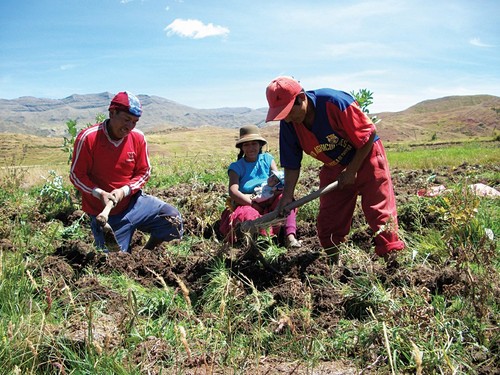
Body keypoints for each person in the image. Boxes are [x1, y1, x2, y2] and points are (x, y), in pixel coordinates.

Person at [265, 76, 404, 265]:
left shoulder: (335, 102)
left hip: (366, 155)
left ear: (302, 98)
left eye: (289, 111)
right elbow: (291, 164)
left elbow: (369, 134)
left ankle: (392, 265)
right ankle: (333, 265)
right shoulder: (289, 124)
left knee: (379, 211)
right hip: (334, 164)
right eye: (282, 114)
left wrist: (352, 170)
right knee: (329, 219)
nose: (288, 118)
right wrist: (288, 195)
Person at [69, 91, 183, 252]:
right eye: (126, 120)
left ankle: (145, 254)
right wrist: (100, 193)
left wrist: (124, 190)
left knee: (172, 220)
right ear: (112, 113)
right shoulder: (88, 138)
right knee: (113, 263)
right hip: (105, 215)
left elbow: (144, 171)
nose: (129, 127)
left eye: (134, 122)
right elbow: (76, 175)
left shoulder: (137, 137)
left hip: (134, 203)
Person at [218, 125, 301, 248]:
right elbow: (233, 191)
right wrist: (253, 204)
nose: (251, 148)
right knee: (247, 215)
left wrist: (275, 194)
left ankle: (290, 237)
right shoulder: (236, 167)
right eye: (246, 145)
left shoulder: (267, 159)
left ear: (260, 145)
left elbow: (278, 179)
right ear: (241, 147)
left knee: (286, 202)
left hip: (270, 199)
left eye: (254, 144)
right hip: (248, 202)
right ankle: (262, 242)